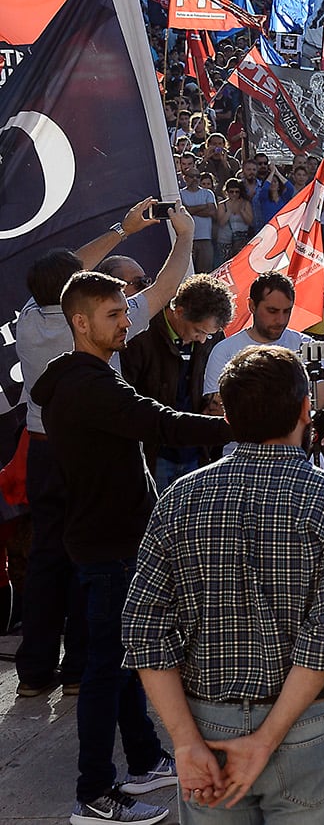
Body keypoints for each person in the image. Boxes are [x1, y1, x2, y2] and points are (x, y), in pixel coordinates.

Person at [124, 345, 324, 824]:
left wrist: (184, 741)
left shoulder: (179, 498)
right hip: (306, 727)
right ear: (306, 410)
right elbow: (323, 638)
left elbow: (143, 629)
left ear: (227, 415)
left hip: (206, 724)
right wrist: (265, 740)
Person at [34, 271, 235, 825]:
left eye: (125, 312)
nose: (127, 322)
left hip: (116, 541)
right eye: (114, 315)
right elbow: (160, 423)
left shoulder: (86, 377)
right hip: (108, 547)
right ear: (80, 322)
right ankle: (94, 793)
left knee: (126, 663)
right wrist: (237, 427)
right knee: (108, 670)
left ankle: (143, 760)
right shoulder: (89, 385)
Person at [15, 202, 195, 700]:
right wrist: (184, 235)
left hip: (42, 452)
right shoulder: (92, 320)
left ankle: (34, 673)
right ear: (78, 304)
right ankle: (79, 670)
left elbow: (62, 273)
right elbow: (164, 289)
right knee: (90, 559)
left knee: (46, 557)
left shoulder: (30, 320)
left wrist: (122, 230)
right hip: (92, 455)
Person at [119, 273, 234, 490]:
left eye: (209, 335)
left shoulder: (213, 339)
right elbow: (125, 401)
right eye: (199, 331)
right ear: (179, 312)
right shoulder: (141, 337)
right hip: (153, 454)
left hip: (196, 452)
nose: (203, 340)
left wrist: (214, 403)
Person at [203, 271, 324, 424]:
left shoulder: (307, 345)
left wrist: (317, 430)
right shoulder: (224, 351)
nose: (280, 320)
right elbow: (217, 410)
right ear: (252, 306)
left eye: (287, 311)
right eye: (272, 311)